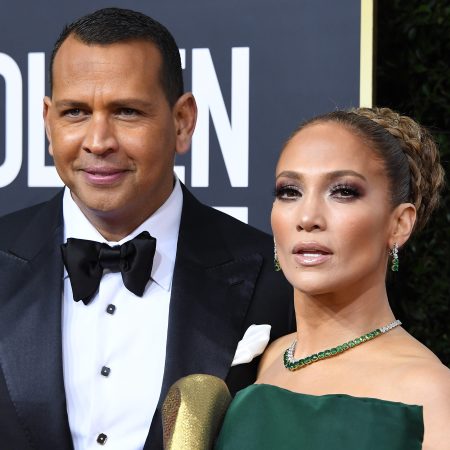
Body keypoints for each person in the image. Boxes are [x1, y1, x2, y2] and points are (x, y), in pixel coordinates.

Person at [0, 8, 294, 450]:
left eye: (127, 112)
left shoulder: (276, 280)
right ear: (48, 121)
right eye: (75, 112)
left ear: (182, 122)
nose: (98, 141)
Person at [215, 107, 450, 449]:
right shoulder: (260, 359)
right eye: (289, 191)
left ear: (399, 224)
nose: (307, 217)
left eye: (343, 191)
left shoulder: (430, 391)